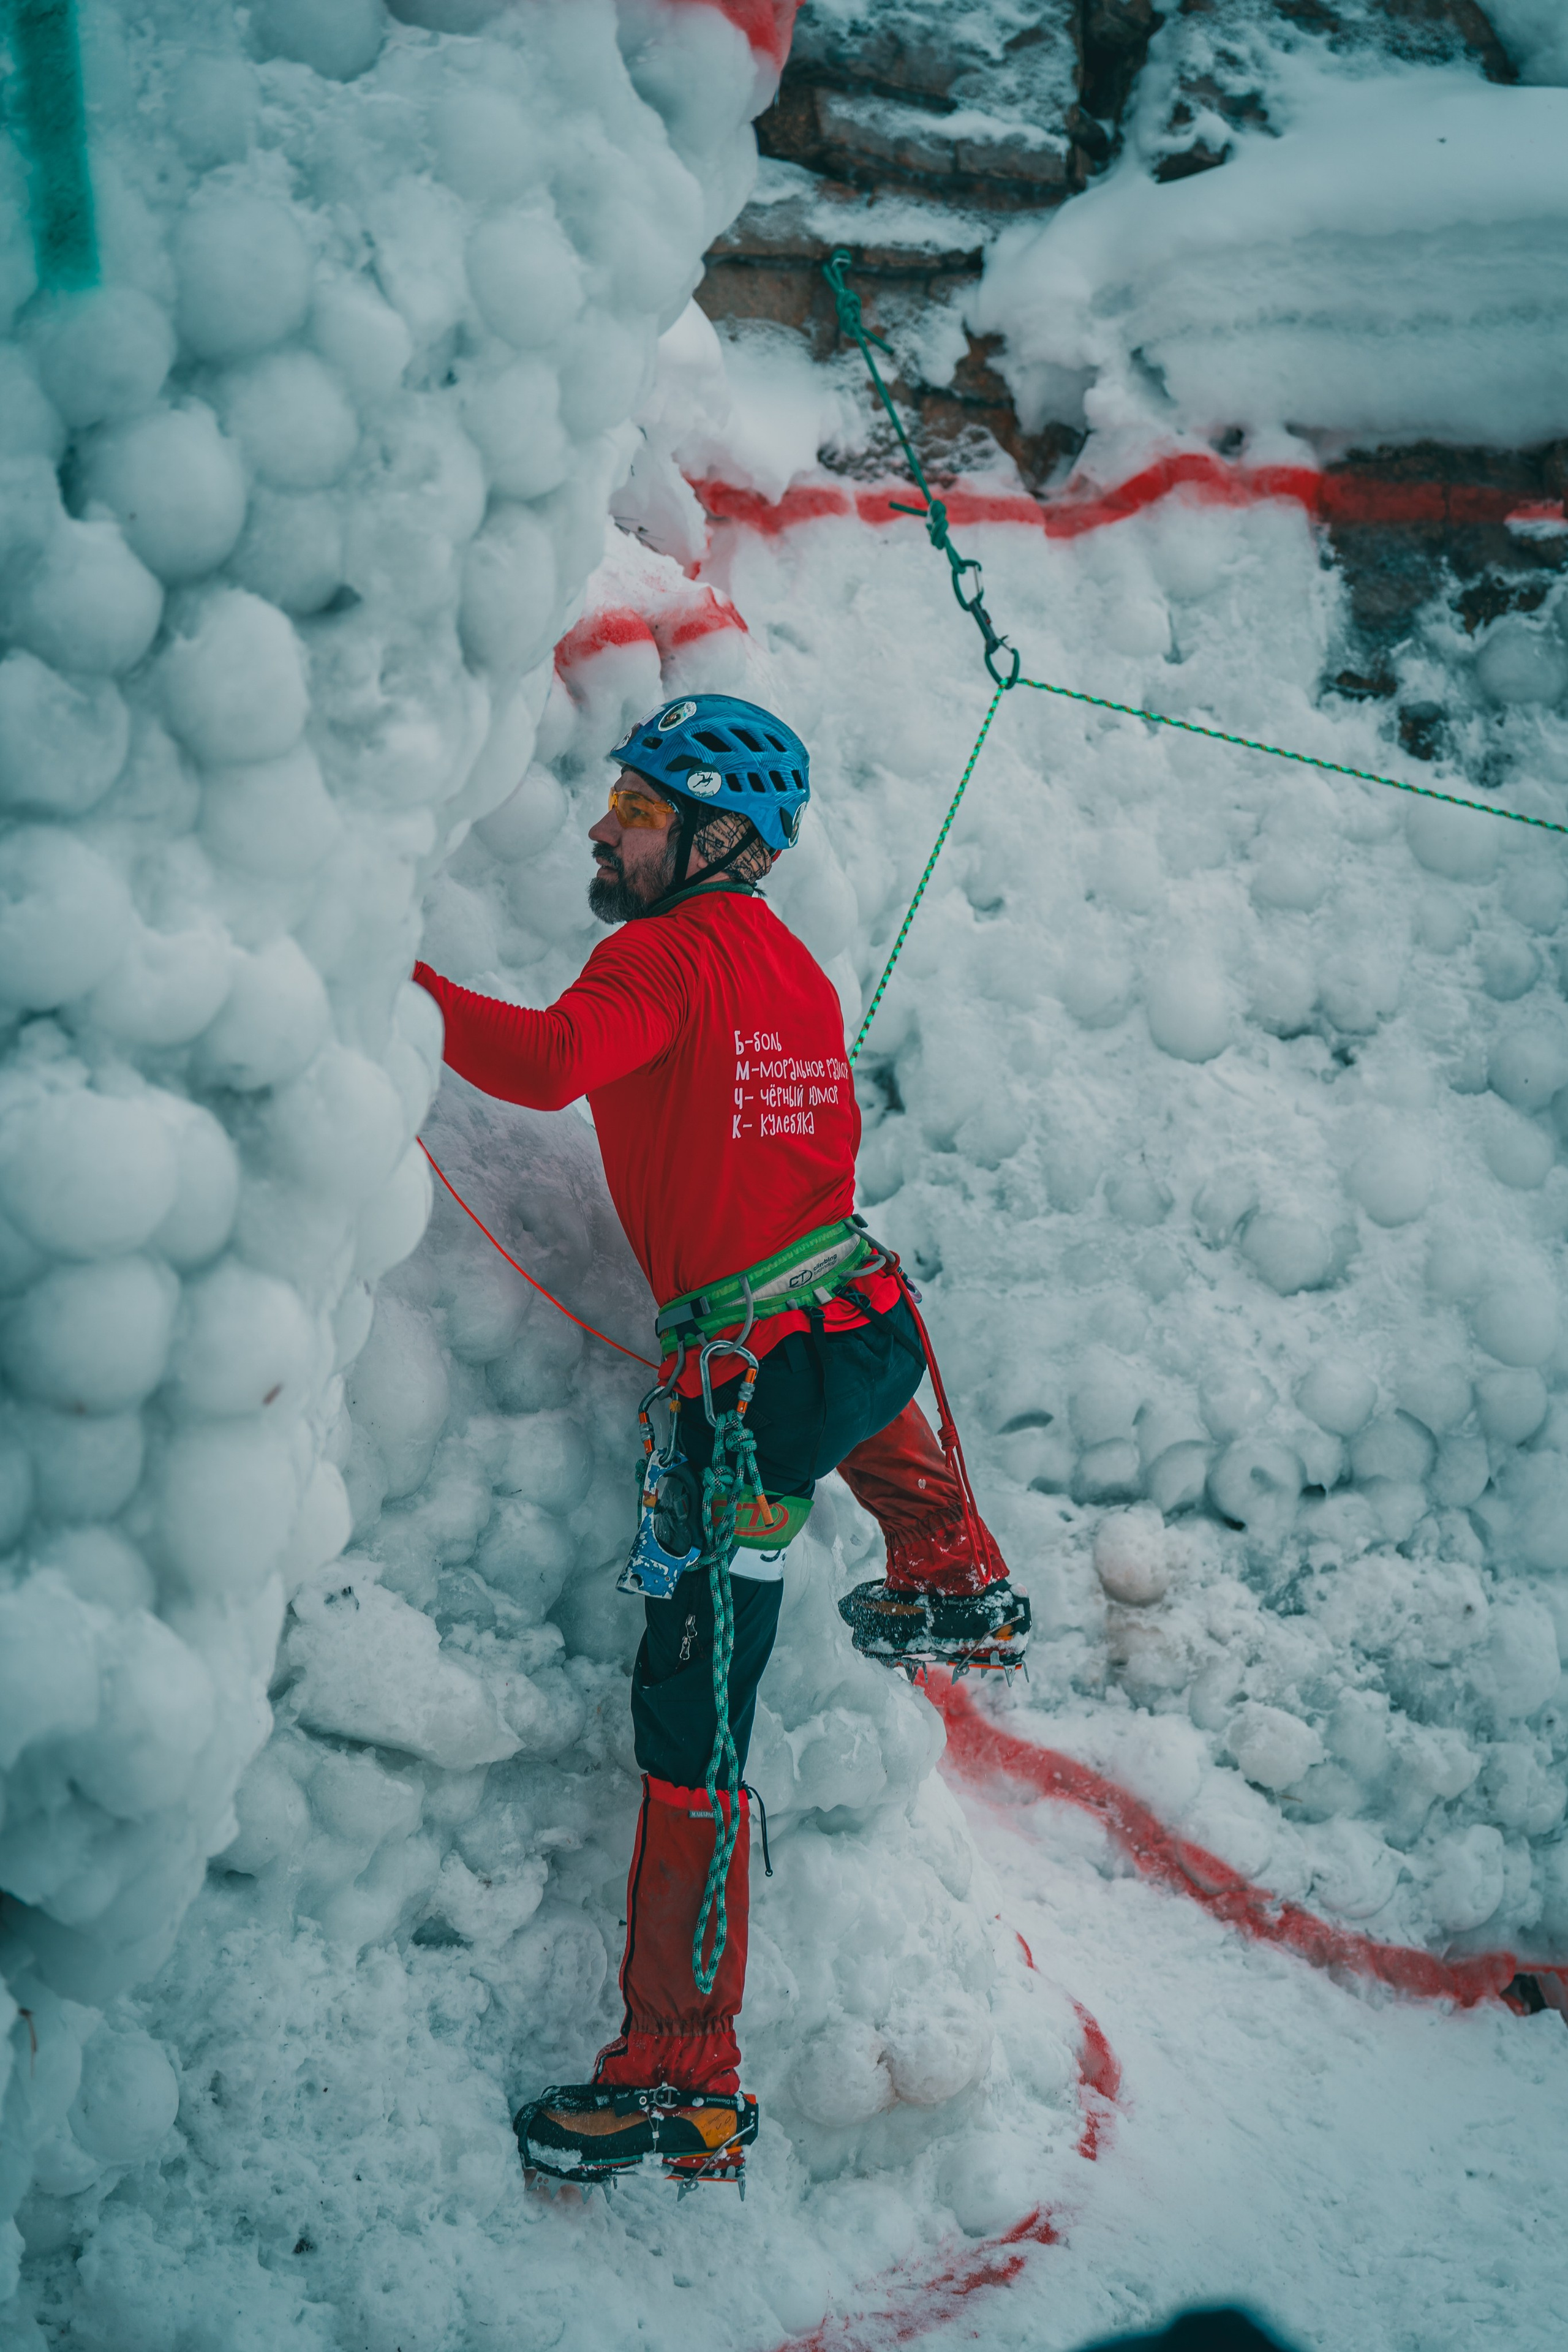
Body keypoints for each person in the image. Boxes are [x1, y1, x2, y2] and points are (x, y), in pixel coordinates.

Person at [412, 692, 1028, 2187]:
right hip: (860, 1333)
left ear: (712, 835)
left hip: (747, 1399)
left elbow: (551, 1062)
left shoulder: (659, 953)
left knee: (694, 1729)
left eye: (632, 809)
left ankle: (681, 2073)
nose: (600, 829)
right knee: (838, 1358)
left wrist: (399, 989)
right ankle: (948, 1568)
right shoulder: (787, 963)